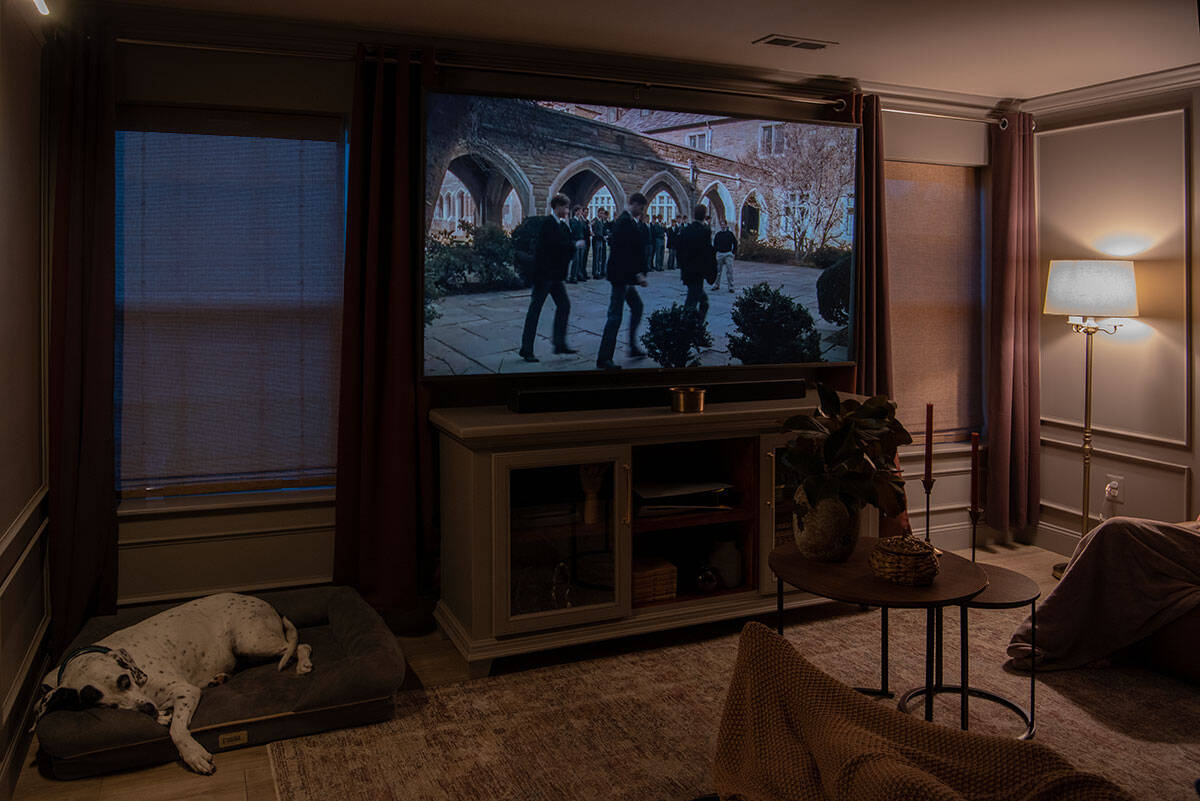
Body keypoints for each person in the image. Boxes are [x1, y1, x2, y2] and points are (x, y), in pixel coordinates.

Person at [518, 193, 577, 362]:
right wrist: (573, 245)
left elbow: (567, 249)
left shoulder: (562, 225)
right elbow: (554, 247)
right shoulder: (548, 224)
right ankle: (526, 349)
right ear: (557, 207)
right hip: (544, 276)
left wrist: (571, 245)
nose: (567, 211)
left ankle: (559, 343)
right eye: (565, 207)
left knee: (564, 305)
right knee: (535, 310)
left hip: (555, 276)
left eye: (568, 208)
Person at [597, 192, 650, 369]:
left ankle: (632, 347)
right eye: (640, 207)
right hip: (621, 277)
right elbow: (624, 252)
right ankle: (604, 358)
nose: (642, 211)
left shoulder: (630, 222)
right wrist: (637, 274)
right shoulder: (624, 222)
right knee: (615, 316)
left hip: (625, 277)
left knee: (637, 307)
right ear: (633, 204)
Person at [675, 204, 717, 322]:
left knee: (698, 299)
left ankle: (693, 324)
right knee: (693, 302)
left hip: (687, 272)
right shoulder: (704, 232)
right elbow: (707, 254)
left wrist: (683, 266)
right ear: (704, 216)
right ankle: (689, 326)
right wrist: (710, 273)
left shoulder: (686, 230)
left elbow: (679, 250)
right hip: (697, 273)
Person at [713, 218, 738, 293]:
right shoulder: (718, 234)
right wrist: (715, 253)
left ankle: (731, 286)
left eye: (724, 224)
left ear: (726, 225)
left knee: (730, 271)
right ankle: (716, 285)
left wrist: (733, 252)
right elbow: (715, 244)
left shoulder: (730, 234)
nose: (723, 226)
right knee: (718, 271)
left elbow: (735, 243)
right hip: (720, 254)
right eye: (721, 225)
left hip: (728, 253)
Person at [568, 205, 590, 282]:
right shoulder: (573, 220)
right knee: (576, 259)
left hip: (582, 240)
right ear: (576, 211)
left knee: (581, 259)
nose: (581, 213)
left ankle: (579, 274)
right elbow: (573, 230)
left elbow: (584, 230)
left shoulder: (581, 221)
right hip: (576, 241)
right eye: (580, 211)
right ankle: (573, 276)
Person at [590, 208, 609, 279]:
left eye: (603, 213)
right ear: (598, 213)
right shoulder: (595, 220)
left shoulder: (601, 221)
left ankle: (599, 271)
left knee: (599, 258)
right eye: (601, 213)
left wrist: (606, 235)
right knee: (596, 257)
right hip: (596, 240)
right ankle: (595, 272)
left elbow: (602, 230)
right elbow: (595, 232)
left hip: (600, 241)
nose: (602, 215)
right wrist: (602, 237)